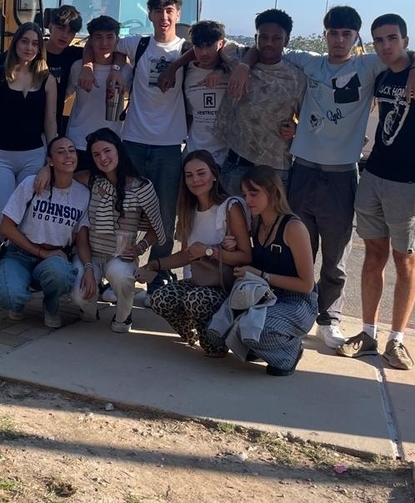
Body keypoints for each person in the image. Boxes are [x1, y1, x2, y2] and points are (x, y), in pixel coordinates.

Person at [230, 4, 415, 349]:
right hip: (302, 170)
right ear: (325, 35)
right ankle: (294, 311)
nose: (338, 40)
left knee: (335, 258)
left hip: (341, 176)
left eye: (346, 34)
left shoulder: (368, 64)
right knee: (295, 251)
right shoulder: (310, 61)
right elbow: (265, 45)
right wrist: (246, 65)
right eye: (333, 33)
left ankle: (329, 318)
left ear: (356, 39)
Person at [337, 14, 415, 370]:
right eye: (379, 40)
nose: (386, 46)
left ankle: (397, 340)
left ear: (405, 40)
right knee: (374, 256)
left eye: (392, 38)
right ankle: (369, 333)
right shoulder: (382, 75)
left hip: (410, 185)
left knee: (406, 260)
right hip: (373, 176)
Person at [79, 0, 187, 294]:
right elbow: (96, 41)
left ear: (178, 14)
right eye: (158, 11)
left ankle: (156, 277)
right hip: (134, 141)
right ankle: (119, 271)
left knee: (164, 214)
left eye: (169, 11)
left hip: (169, 146)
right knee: (121, 211)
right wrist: (92, 66)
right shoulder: (138, 44)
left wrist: (176, 66)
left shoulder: (187, 48)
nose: (164, 17)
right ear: (149, 15)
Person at [0, 23, 58, 303]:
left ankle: (17, 275)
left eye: (35, 43)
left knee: (26, 218)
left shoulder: (47, 79)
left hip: (34, 154)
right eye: (25, 42)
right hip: (1, 154)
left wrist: (52, 161)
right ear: (16, 43)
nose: (30, 48)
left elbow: (50, 122)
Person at [144, 151, 251, 354]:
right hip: (197, 282)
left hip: (224, 284)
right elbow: (187, 255)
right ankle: (196, 334)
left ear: (214, 175)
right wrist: (155, 265)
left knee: (196, 300)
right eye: (189, 175)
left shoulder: (230, 206)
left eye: (201, 173)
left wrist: (209, 251)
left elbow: (246, 256)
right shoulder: (188, 210)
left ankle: (216, 339)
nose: (195, 180)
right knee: (159, 297)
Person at [0, 135, 93, 328]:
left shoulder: (82, 194)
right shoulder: (32, 183)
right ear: (50, 161)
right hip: (19, 254)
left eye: (72, 150)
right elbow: (6, 227)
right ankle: (18, 297)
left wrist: (88, 267)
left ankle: (51, 304)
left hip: (54, 256)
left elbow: (81, 240)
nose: (68, 155)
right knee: (8, 297)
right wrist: (40, 252)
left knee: (61, 273)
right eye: (60, 151)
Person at [74, 128, 166, 333]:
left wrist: (140, 248)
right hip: (92, 253)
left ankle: (123, 316)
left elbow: (157, 228)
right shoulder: (91, 179)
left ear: (118, 150)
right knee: (80, 297)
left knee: (121, 276)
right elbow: (64, 176)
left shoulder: (142, 186)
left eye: (107, 151)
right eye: (96, 154)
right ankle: (89, 310)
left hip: (121, 255)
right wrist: (47, 170)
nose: (103, 158)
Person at [229, 165, 317, 376]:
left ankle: (290, 352)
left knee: (253, 331)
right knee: (223, 329)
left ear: (273, 191)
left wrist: (261, 275)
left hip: (298, 302)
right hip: (265, 298)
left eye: (254, 193)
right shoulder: (258, 223)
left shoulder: (293, 227)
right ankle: (264, 347)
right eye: (244, 194)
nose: (248, 200)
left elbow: (306, 285)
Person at [215, 9, 306, 194]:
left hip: (274, 170)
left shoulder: (297, 78)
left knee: (270, 223)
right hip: (237, 164)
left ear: (287, 40)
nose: (269, 43)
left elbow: (308, 121)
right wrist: (244, 65)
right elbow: (209, 46)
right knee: (231, 221)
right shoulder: (237, 58)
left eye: (276, 38)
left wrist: (296, 129)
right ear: (256, 37)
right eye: (263, 37)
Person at [65, 15, 131, 170]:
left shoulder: (126, 71)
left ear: (117, 39)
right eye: (98, 37)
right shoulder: (78, 67)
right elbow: (62, 97)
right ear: (91, 40)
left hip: (111, 144)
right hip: (79, 140)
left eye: (109, 37)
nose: (104, 43)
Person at [182, 20, 231, 165]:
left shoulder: (233, 68)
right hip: (194, 155)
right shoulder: (186, 73)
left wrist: (221, 70)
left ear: (221, 44)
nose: (204, 52)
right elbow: (190, 114)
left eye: (209, 46)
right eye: (198, 46)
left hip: (226, 160)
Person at [43, 5, 85, 135]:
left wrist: (88, 66)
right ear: (50, 27)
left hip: (53, 126)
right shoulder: (31, 49)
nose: (65, 35)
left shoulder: (73, 55)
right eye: (61, 28)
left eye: (71, 32)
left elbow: (98, 49)